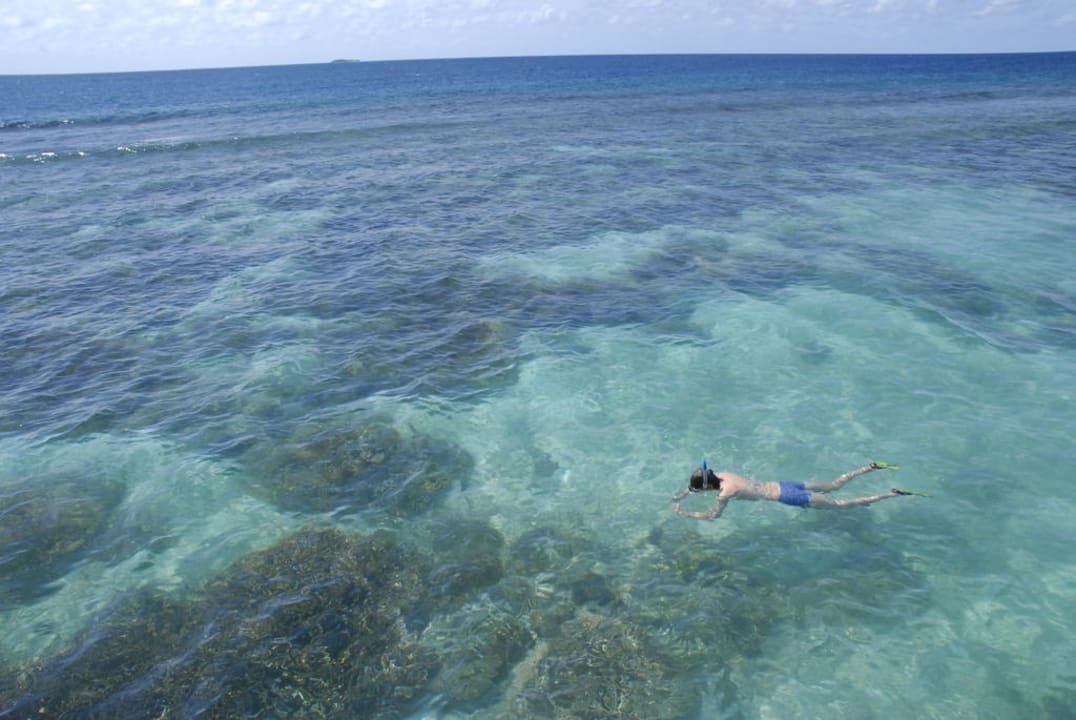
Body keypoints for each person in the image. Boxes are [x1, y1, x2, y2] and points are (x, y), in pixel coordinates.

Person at [671, 461, 915, 520]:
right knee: (834, 485)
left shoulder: (726, 493)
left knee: (840, 505)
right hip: (783, 484)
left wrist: (685, 513)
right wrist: (683, 493)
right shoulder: (723, 475)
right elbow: (699, 485)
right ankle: (868, 468)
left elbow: (713, 516)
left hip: (788, 496)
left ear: (708, 487)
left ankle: (889, 494)